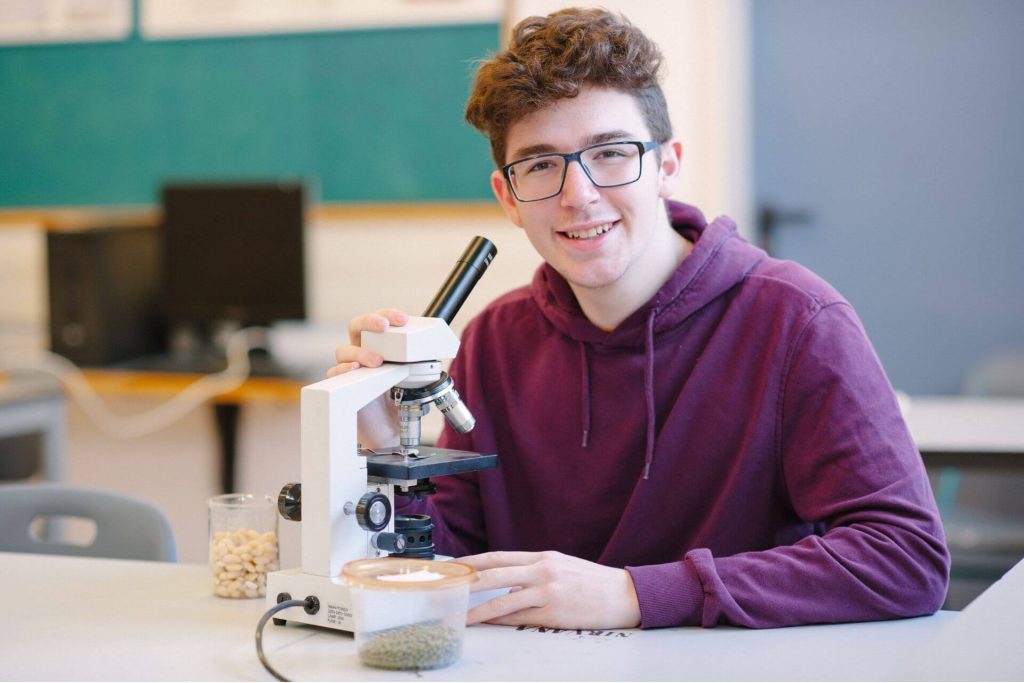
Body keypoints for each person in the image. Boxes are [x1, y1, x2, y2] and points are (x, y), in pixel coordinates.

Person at [330, 7, 950, 629]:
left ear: (668, 164)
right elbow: (454, 558)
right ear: (507, 198)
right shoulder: (495, 339)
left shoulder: (798, 321)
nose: (579, 195)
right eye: (541, 165)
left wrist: (635, 594)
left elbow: (905, 560)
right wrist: (382, 451)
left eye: (611, 153)